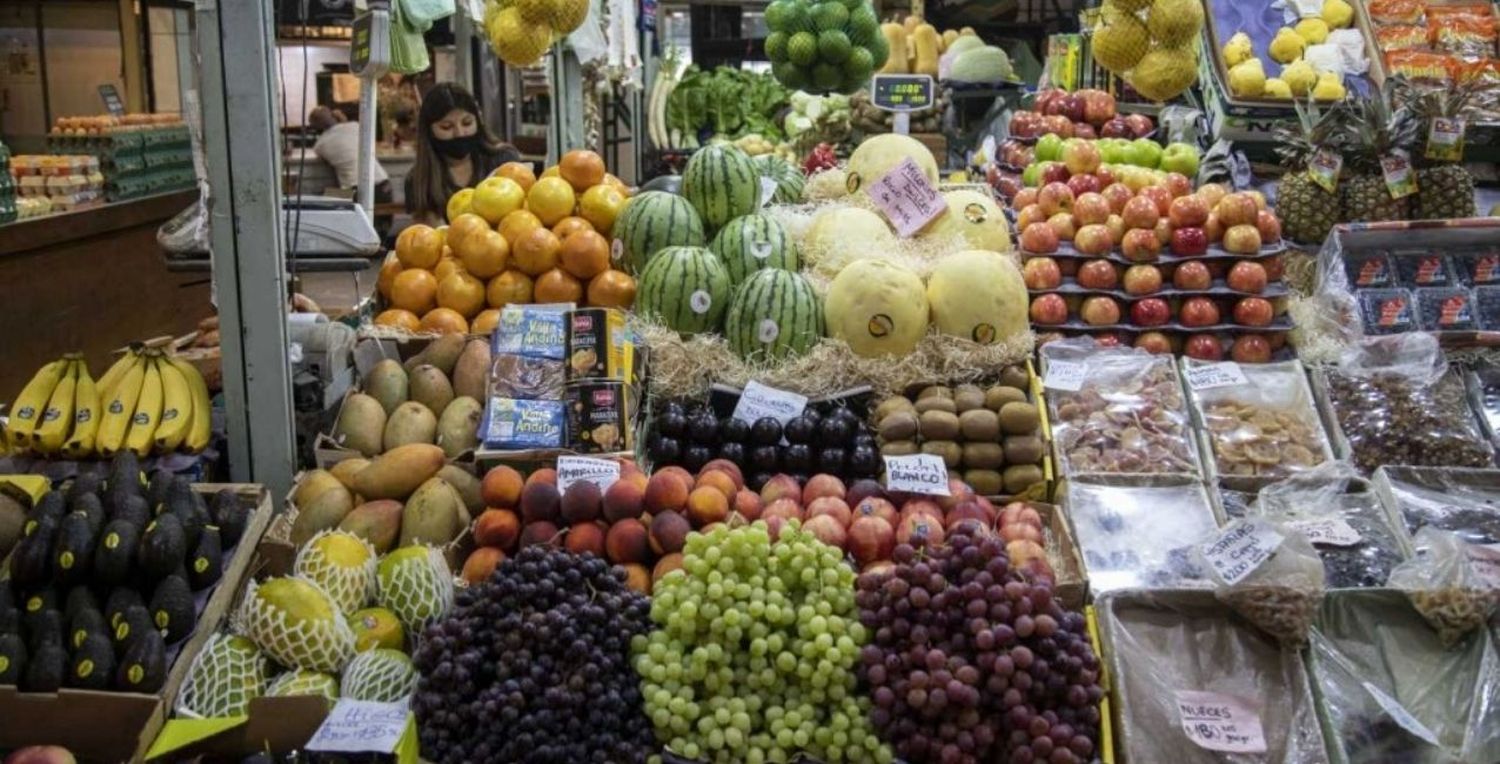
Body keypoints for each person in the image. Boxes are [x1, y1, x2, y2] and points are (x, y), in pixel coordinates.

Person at [405, 83, 521, 224]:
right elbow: (429, 237)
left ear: (478, 122)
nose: (459, 133)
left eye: (467, 123)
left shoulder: (504, 161)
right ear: (429, 132)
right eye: (446, 127)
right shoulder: (419, 181)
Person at [307, 104, 390, 195]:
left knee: (319, 195)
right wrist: (342, 119)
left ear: (316, 127)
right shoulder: (356, 126)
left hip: (355, 192)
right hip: (384, 187)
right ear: (334, 115)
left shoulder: (319, 145)